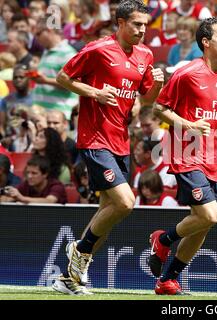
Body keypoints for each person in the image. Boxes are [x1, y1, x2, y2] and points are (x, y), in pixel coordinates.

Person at [52, 0, 164, 295]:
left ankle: (68, 280)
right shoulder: (98, 49)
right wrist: (95, 93)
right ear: (121, 22)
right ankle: (79, 250)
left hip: (121, 140)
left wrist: (158, 86)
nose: (142, 30)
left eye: (145, 24)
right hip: (94, 138)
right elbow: (62, 77)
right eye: (137, 24)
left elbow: (147, 99)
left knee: (108, 210)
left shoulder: (145, 54)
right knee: (125, 202)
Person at [149, 17, 217, 295]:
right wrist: (188, 125)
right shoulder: (187, 73)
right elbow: (159, 110)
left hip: (211, 158)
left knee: (202, 225)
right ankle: (163, 240)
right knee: (211, 215)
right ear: (206, 42)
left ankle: (167, 280)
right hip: (185, 154)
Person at [2, 155, 67, 204]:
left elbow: (49, 201)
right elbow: (9, 198)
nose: (29, 176)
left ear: (45, 174)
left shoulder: (56, 186)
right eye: (28, 172)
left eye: (34, 173)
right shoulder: (26, 185)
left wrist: (22, 198)